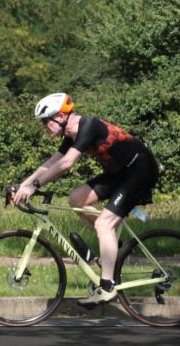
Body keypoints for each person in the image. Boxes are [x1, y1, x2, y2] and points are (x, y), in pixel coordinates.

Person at [13, 93, 159, 305]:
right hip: (119, 173)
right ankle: (111, 246)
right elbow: (51, 163)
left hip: (140, 170)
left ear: (60, 117)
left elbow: (66, 163)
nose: (44, 127)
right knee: (76, 199)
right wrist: (23, 185)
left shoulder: (89, 125)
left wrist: (35, 186)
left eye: (46, 121)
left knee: (103, 224)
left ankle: (107, 287)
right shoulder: (70, 136)